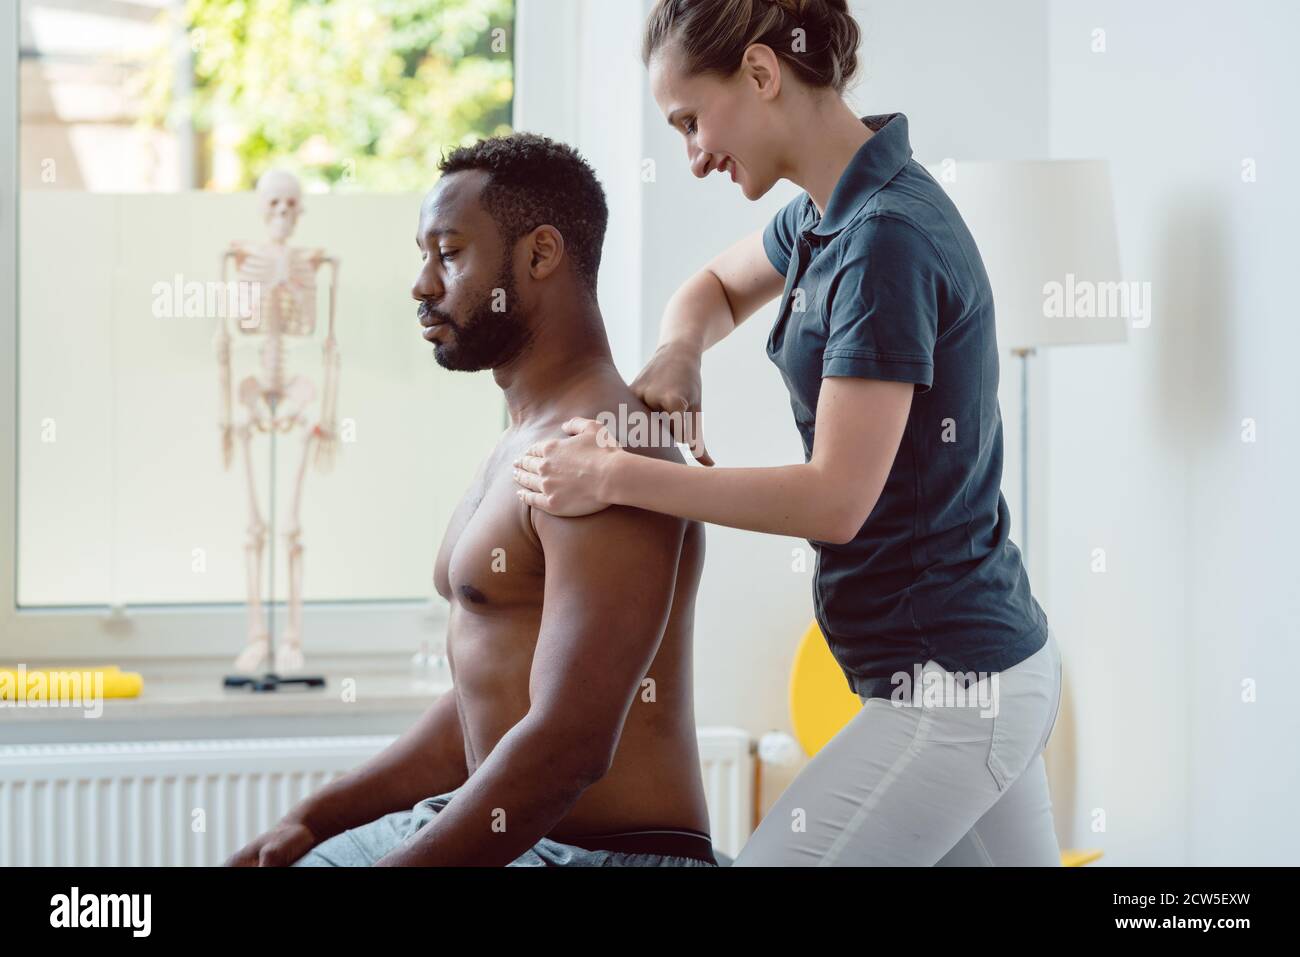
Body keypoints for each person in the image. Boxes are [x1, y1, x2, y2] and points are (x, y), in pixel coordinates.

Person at [512, 0, 1064, 865]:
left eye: (691, 121)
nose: (693, 157)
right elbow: (712, 287)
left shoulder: (884, 236)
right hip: (977, 671)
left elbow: (835, 499)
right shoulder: (825, 213)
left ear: (763, 74)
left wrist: (613, 475)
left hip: (957, 688)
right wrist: (679, 351)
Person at [226, 133, 716, 867]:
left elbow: (569, 745)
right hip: (513, 833)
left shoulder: (608, 449)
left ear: (540, 255)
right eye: (423, 256)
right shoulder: (520, 441)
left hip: (604, 854)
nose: (422, 284)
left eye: (449, 254)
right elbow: (479, 714)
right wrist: (310, 820)